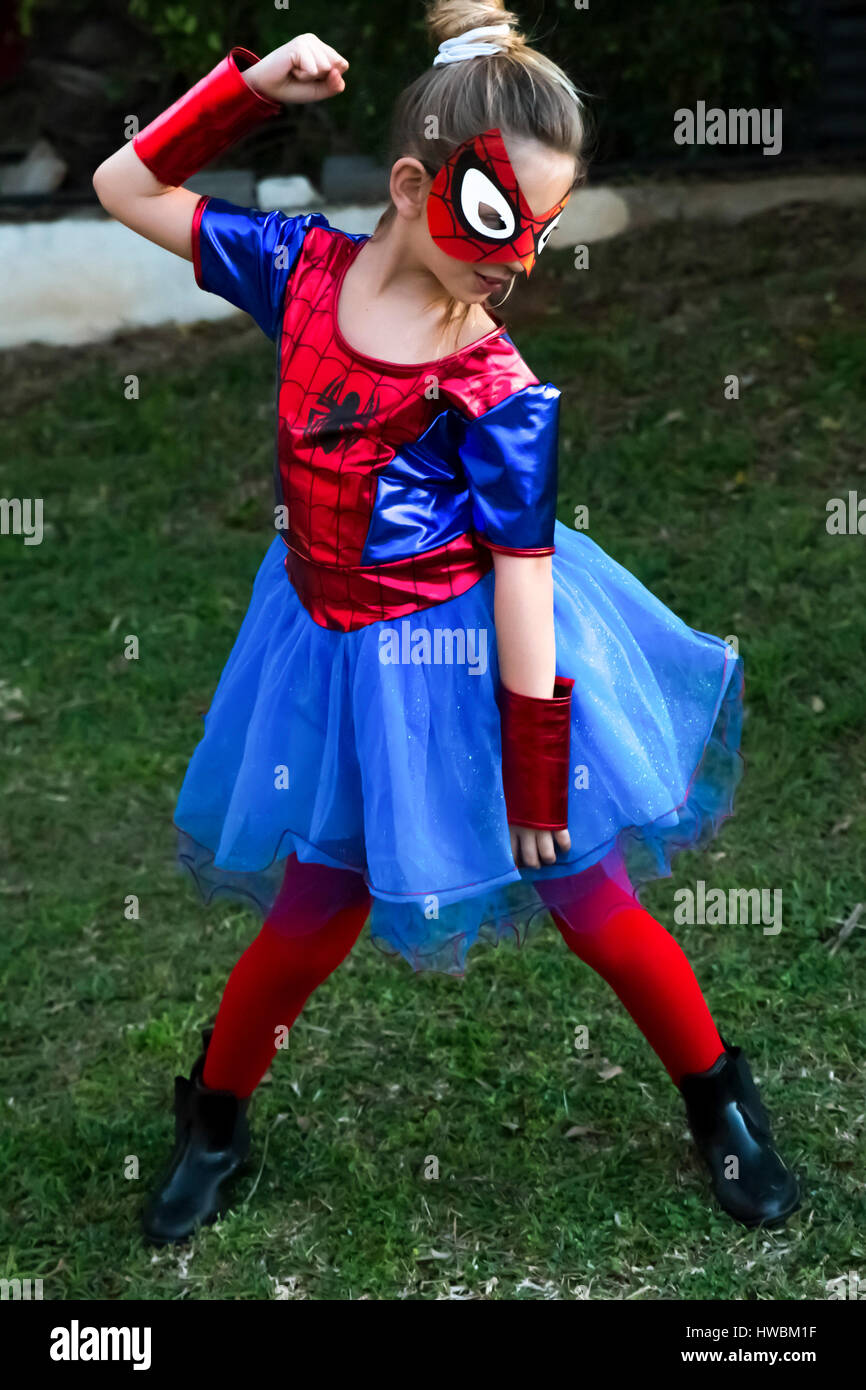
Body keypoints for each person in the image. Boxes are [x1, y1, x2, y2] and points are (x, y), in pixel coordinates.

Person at [92, 0, 799, 1246]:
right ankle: (213, 1115)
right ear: (414, 184)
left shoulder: (494, 384)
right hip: (329, 653)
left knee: (590, 896)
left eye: (547, 225)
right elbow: (123, 184)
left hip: (470, 664)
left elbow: (522, 573)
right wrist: (252, 86)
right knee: (312, 912)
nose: (520, 256)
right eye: (494, 218)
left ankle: (718, 1098)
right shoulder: (299, 272)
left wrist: (536, 770)